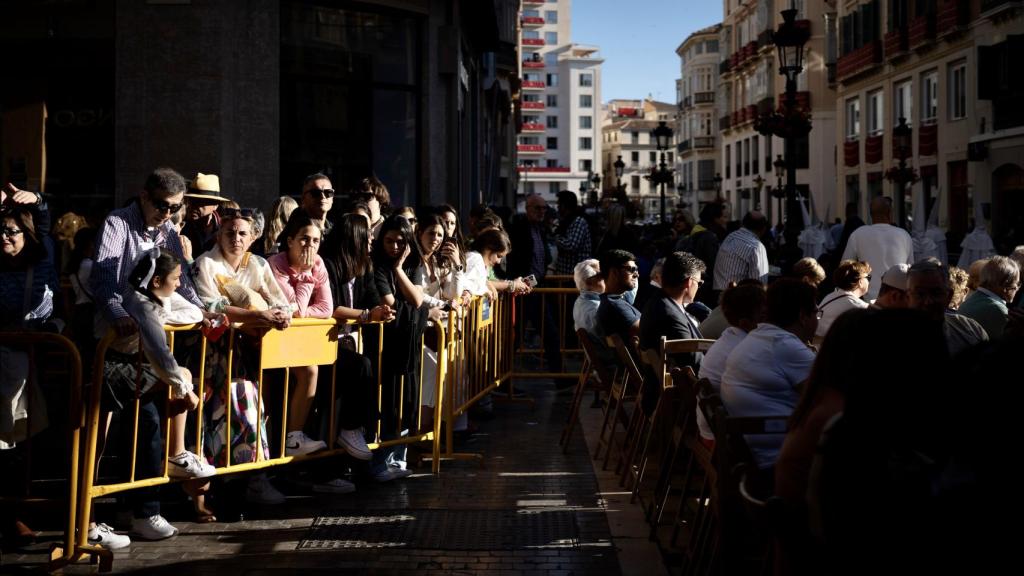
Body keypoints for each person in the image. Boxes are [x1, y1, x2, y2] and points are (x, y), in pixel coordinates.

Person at [103, 249, 219, 535]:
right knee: (146, 428)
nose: (179, 284)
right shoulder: (140, 304)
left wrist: (165, 317)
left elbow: (191, 310)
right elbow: (161, 353)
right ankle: (145, 509)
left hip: (137, 367)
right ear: (156, 281)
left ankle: (134, 509)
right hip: (116, 369)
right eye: (175, 278)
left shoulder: (153, 299)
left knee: (146, 428)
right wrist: (185, 390)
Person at [193, 206, 291, 504]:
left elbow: (281, 301)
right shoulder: (205, 264)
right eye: (230, 232)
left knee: (252, 409)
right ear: (219, 234)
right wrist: (257, 315)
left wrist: (280, 315)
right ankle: (213, 487)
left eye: (242, 233)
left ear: (253, 237)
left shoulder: (258, 264)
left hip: (250, 352)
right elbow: (211, 306)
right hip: (213, 352)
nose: (236, 238)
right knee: (215, 415)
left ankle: (253, 478)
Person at [324, 214, 398, 486]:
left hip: (353, 343)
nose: (371, 242)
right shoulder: (329, 265)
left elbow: (373, 302)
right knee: (361, 367)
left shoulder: (364, 267)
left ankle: (362, 443)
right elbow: (330, 307)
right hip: (326, 344)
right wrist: (367, 314)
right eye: (367, 237)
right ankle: (351, 431)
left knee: (371, 369)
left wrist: (382, 311)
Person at [720, 278, 818, 469]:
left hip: (751, 448)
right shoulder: (784, 345)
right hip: (777, 456)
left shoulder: (759, 337)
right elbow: (827, 397)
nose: (818, 319)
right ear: (802, 316)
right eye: (816, 313)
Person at [268, 212, 335, 457]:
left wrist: (303, 309)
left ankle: (295, 436)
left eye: (315, 241)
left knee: (313, 369)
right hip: (272, 336)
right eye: (305, 239)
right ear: (290, 241)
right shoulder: (276, 264)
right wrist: (306, 277)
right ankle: (284, 440)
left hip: (299, 340)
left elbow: (326, 308)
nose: (310, 246)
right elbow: (291, 309)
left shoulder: (318, 263)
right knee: (305, 372)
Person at [695, 281, 766, 444]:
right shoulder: (744, 349)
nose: (768, 320)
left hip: (712, 430)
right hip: (724, 441)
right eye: (763, 316)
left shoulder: (729, 337)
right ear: (745, 322)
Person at [906, 258, 988, 357]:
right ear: (907, 296)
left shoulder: (970, 329)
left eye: (936, 293)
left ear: (949, 296)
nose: (928, 301)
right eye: (920, 294)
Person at [841, 196, 914, 300]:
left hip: (867, 302)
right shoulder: (904, 235)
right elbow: (911, 270)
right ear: (890, 213)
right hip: (897, 299)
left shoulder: (858, 234)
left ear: (871, 214)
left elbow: (845, 267)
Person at [676, 201, 727, 306]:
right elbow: (714, 266)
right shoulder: (708, 237)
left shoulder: (696, 233)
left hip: (693, 287)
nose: (725, 220)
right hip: (705, 291)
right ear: (715, 218)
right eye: (723, 217)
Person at [957, 255, 1020, 339]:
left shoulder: (970, 299)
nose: (1017, 288)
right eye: (1017, 283)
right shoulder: (998, 309)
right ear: (1006, 285)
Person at [713, 211, 770, 293]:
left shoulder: (729, 237)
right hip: (739, 299)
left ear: (743, 224)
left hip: (718, 296)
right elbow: (759, 285)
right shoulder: (756, 246)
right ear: (764, 229)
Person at [815, 260, 871, 342]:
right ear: (861, 282)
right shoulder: (860, 307)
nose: (869, 281)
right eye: (868, 278)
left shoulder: (831, 295)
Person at [596, 249, 641, 344]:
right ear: (614, 272)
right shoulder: (614, 305)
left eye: (636, 269)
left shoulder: (612, 302)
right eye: (631, 270)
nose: (637, 274)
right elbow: (648, 332)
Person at [181, 173, 230, 256]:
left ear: (215, 205)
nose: (193, 206)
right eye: (191, 201)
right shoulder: (181, 227)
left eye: (200, 202)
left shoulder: (225, 228)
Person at [553, 191, 591, 275]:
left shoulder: (578, 222)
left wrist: (555, 237)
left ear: (564, 205)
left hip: (576, 277)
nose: (558, 207)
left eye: (559, 204)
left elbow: (571, 246)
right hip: (566, 274)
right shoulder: (565, 221)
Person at [572, 259, 603, 337]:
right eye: (601, 275)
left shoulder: (580, 301)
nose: (606, 278)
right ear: (589, 282)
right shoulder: (597, 307)